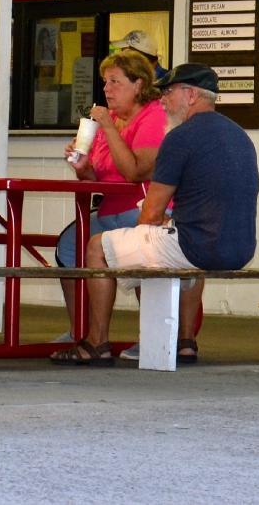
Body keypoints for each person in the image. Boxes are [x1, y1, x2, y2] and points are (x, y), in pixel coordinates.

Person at [53, 63, 258, 366]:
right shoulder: (239, 135)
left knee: (97, 246)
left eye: (169, 92)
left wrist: (148, 231)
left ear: (190, 96)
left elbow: (150, 211)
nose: (161, 100)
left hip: (196, 248)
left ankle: (96, 342)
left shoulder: (179, 137)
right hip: (241, 248)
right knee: (161, 240)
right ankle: (185, 342)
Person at [53, 48, 167, 341]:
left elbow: (136, 172)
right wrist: (83, 166)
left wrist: (107, 126)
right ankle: (81, 329)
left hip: (144, 210)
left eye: (115, 81)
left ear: (138, 84)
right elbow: (98, 177)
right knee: (69, 247)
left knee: (138, 255)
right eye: (105, 81)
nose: (106, 88)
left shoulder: (153, 116)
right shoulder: (110, 120)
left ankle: (153, 338)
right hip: (109, 210)